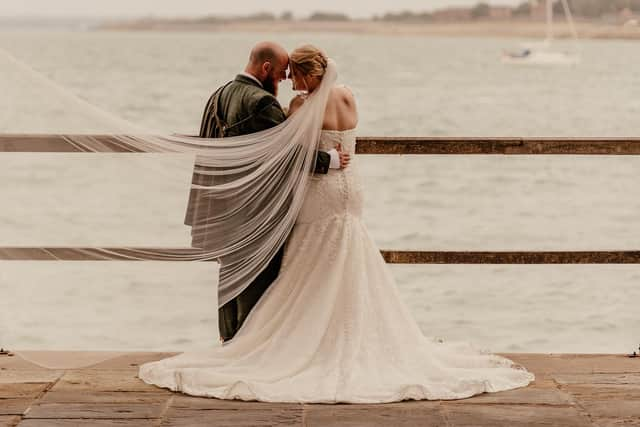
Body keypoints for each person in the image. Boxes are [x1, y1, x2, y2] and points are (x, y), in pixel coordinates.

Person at [139, 45, 534, 403]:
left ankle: (289, 340)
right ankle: (357, 336)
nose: (287, 81)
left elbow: (286, 155)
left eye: (292, 74)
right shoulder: (348, 96)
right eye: (283, 73)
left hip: (319, 191)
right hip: (351, 190)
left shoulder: (296, 107)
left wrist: (317, 151)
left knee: (310, 263)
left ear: (308, 76)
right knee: (351, 260)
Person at [183, 41, 351, 342]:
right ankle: (250, 346)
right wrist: (330, 160)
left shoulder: (218, 95)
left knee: (230, 276)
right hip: (254, 208)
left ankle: (228, 342)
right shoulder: (261, 102)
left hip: (223, 204)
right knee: (256, 279)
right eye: (282, 73)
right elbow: (287, 152)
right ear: (265, 69)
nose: (285, 80)